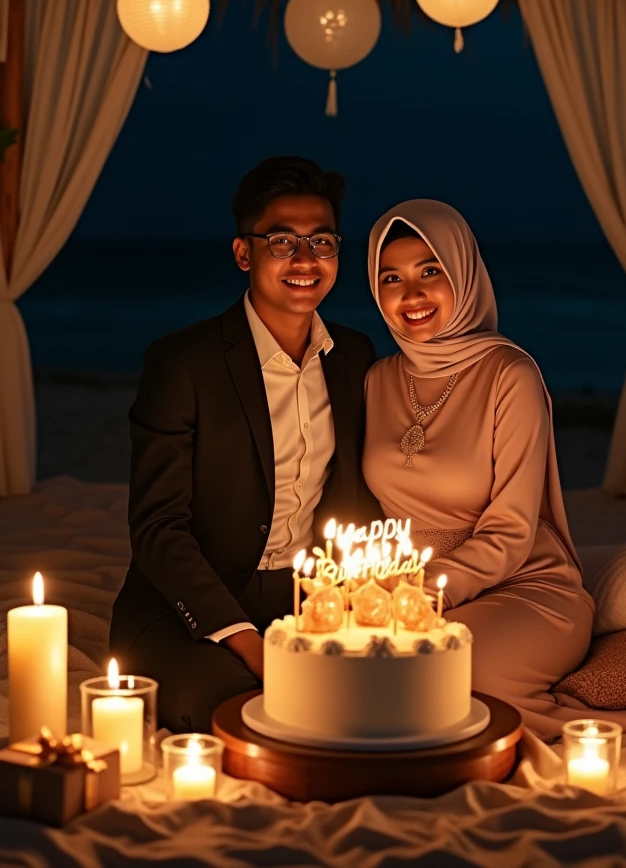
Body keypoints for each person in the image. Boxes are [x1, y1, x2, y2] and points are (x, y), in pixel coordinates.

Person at [110, 156, 377, 733]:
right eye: (282, 241)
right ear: (243, 253)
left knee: (379, 701)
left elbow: (356, 495)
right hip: (191, 607)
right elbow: (157, 528)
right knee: (246, 713)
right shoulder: (182, 362)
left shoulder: (355, 357)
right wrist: (254, 649)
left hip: (309, 602)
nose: (306, 260)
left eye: (322, 241)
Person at [363, 199, 596, 741]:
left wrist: (423, 591)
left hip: (523, 584)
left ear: (464, 274)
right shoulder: (376, 380)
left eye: (430, 271)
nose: (412, 294)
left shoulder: (510, 374)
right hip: (406, 585)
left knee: (453, 669)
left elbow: (513, 530)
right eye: (391, 277)